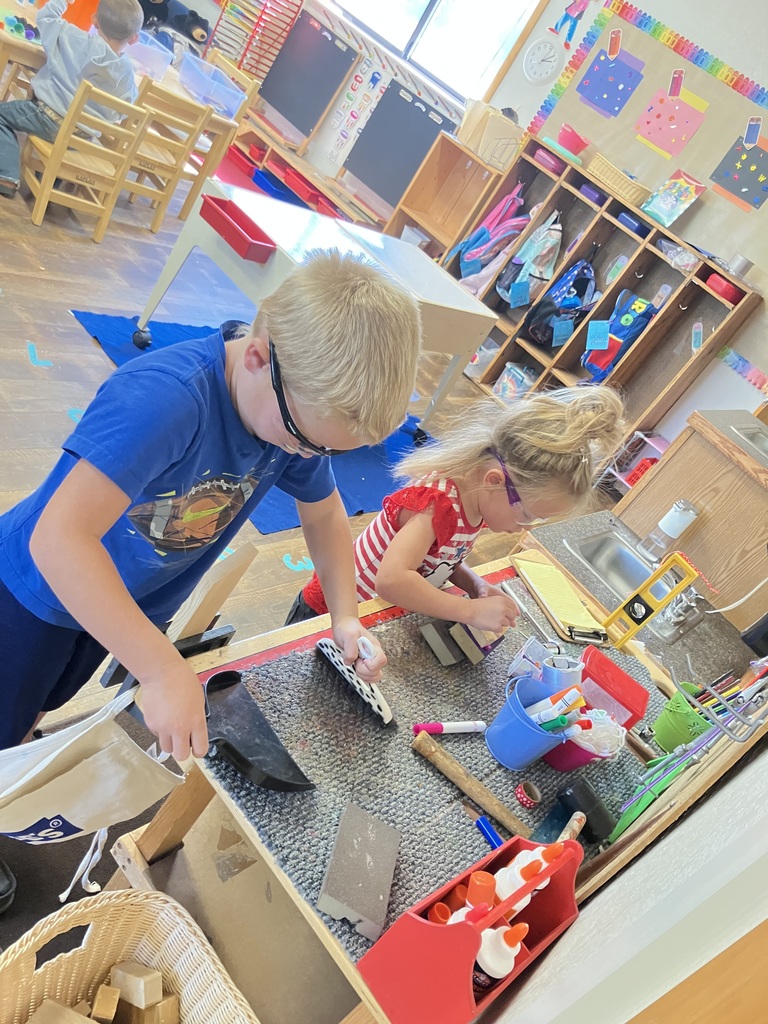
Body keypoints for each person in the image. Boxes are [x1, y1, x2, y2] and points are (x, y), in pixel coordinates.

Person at [0, 250, 422, 761]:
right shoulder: (164, 400)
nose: (309, 456)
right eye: (305, 439)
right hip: (34, 593)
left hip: (124, 603)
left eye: (327, 451)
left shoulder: (287, 417)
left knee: (37, 706)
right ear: (258, 358)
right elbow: (58, 539)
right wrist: (161, 669)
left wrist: (346, 617)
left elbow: (326, 513)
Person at [287, 386, 625, 631]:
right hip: (327, 614)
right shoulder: (437, 505)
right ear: (495, 481)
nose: (525, 528)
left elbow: (440, 558)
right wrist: (469, 612)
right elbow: (390, 580)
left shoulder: (477, 502)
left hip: (371, 617)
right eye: (527, 515)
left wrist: (474, 585)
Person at [0, 0, 143, 198]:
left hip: (46, 117)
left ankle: (7, 175)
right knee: (68, 141)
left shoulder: (74, 38)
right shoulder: (126, 74)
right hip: (81, 137)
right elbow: (126, 108)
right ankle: (47, 183)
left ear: (94, 20)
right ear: (134, 39)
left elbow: (46, 18)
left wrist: (63, 2)